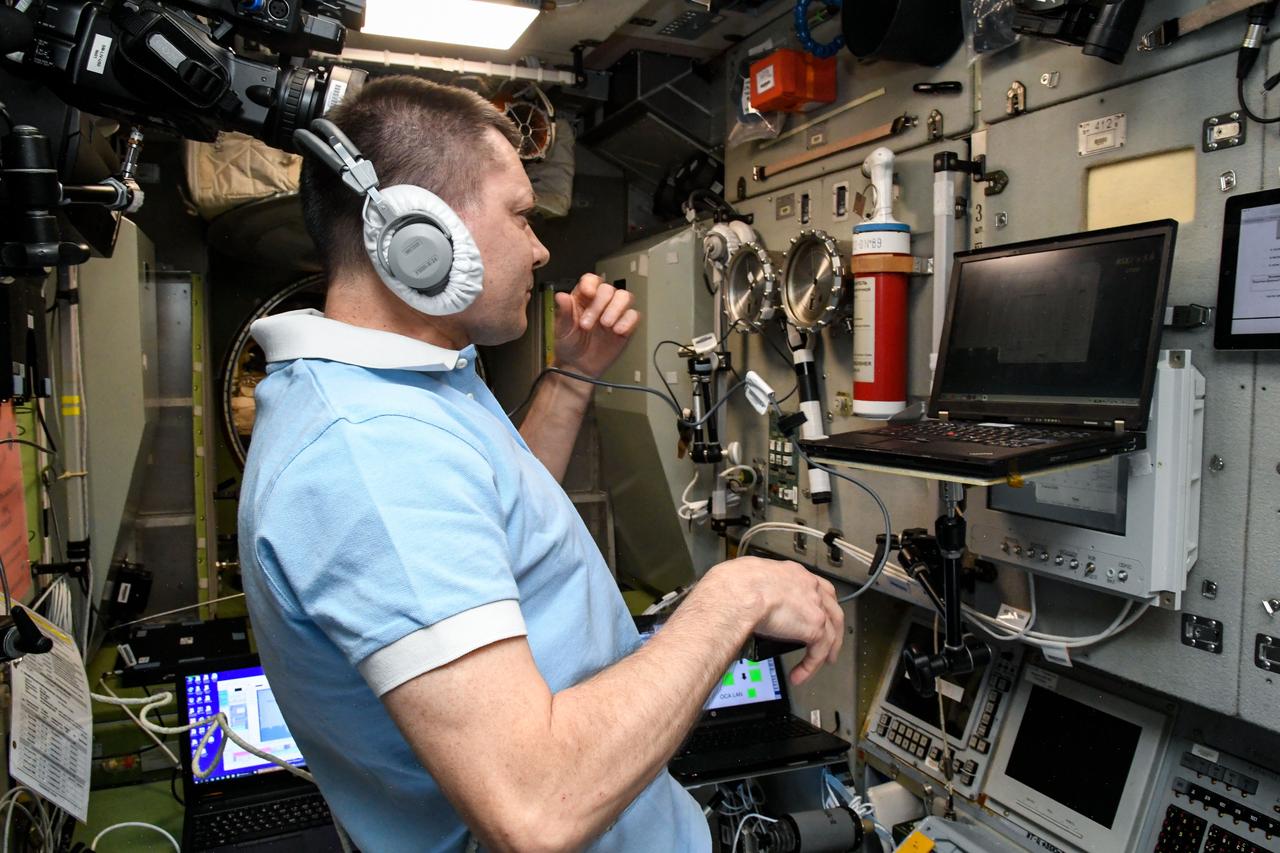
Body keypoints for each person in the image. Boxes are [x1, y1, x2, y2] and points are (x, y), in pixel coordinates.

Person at [238, 76, 845, 853]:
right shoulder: (370, 450)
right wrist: (735, 595)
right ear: (420, 231)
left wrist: (574, 374)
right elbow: (536, 807)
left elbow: (497, 512)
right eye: (520, 215)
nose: (540, 247)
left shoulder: (405, 386)